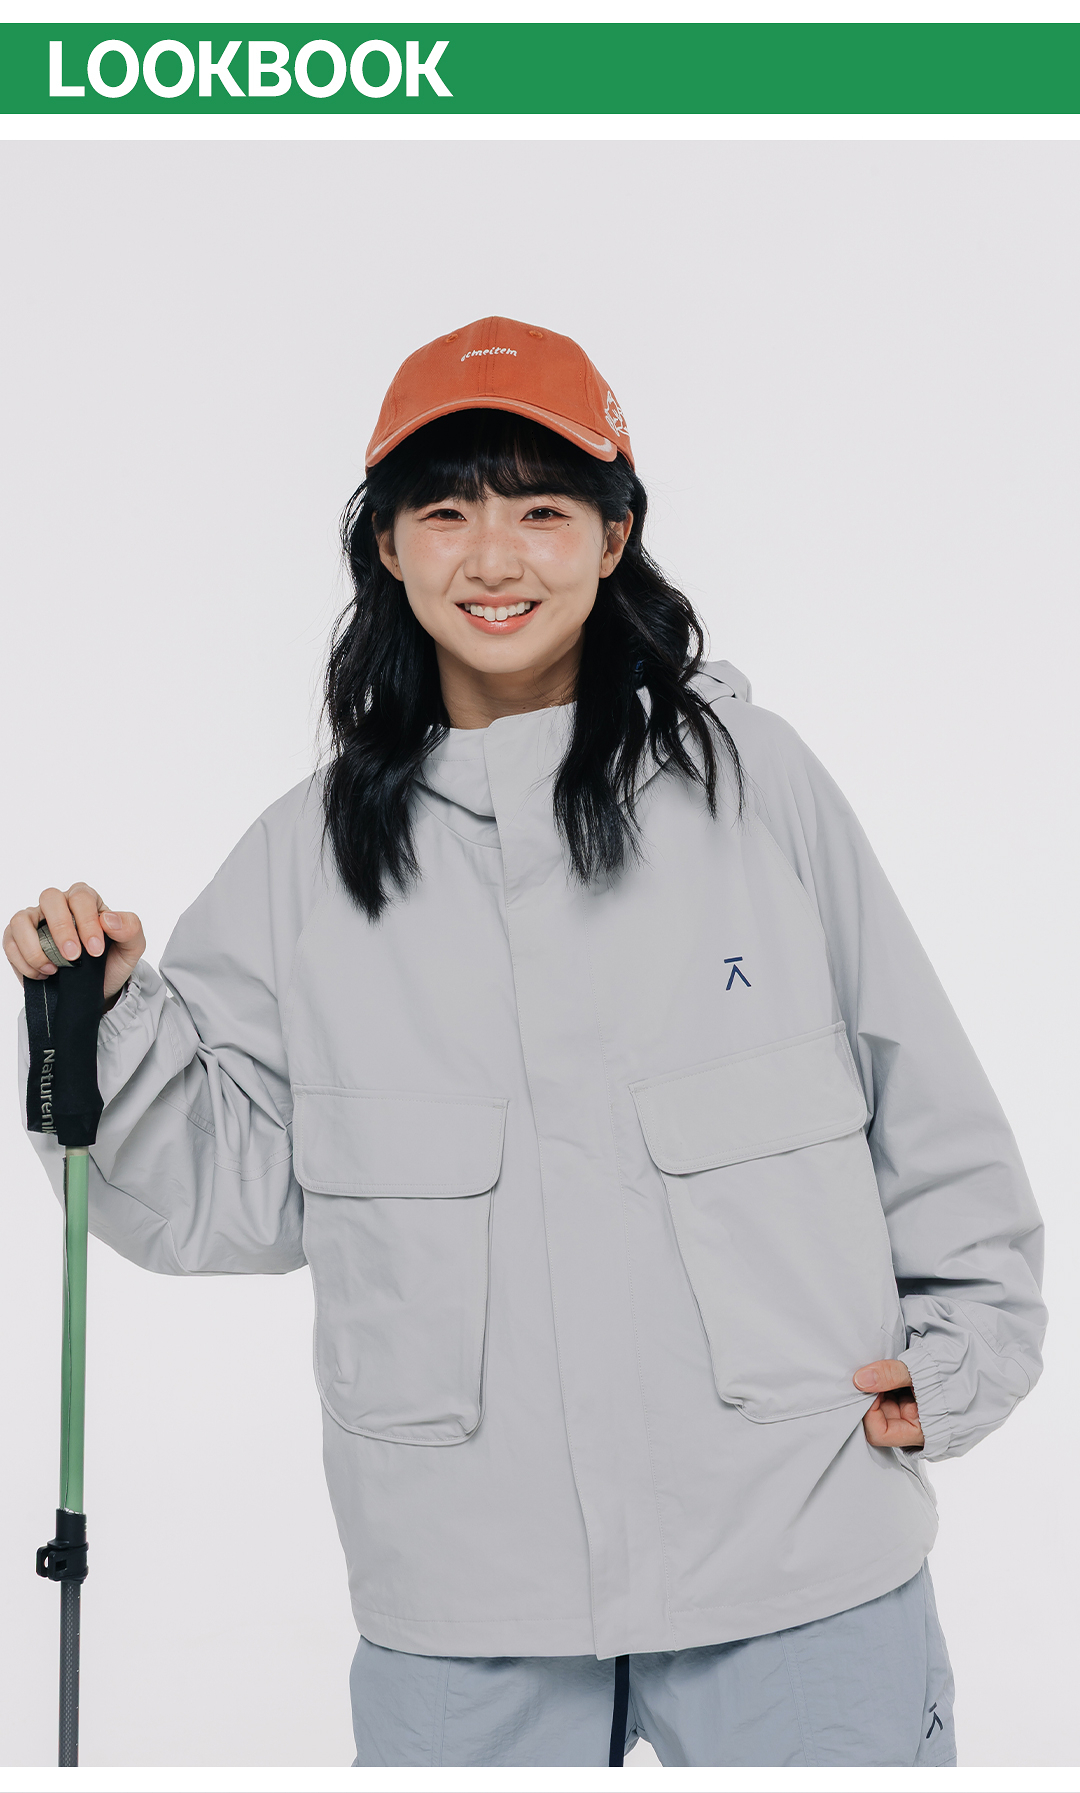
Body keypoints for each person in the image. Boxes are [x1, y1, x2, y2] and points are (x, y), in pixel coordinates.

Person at [8, 317, 1046, 1769]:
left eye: (543, 510)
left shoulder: (754, 788)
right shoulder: (307, 861)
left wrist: (968, 1349)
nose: (494, 557)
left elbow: (919, 1085)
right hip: (463, 1592)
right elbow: (216, 1195)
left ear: (615, 538)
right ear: (387, 546)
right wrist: (109, 1020)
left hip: (797, 1549)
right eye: (446, 512)